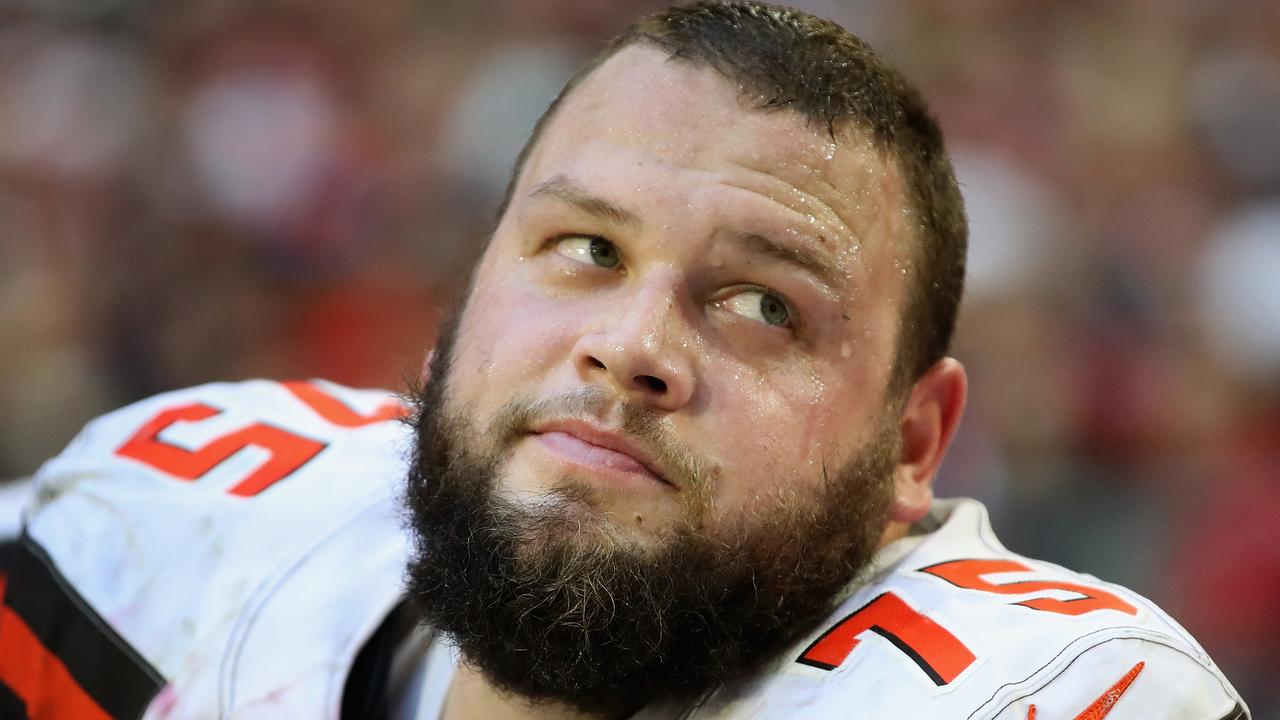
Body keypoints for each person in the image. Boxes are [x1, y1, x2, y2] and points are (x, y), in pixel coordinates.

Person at [0, 2, 1250, 718]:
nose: (631, 347)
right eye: (583, 248)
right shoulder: (159, 537)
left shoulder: (1038, 697)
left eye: (763, 304)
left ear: (908, 446)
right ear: (457, 308)